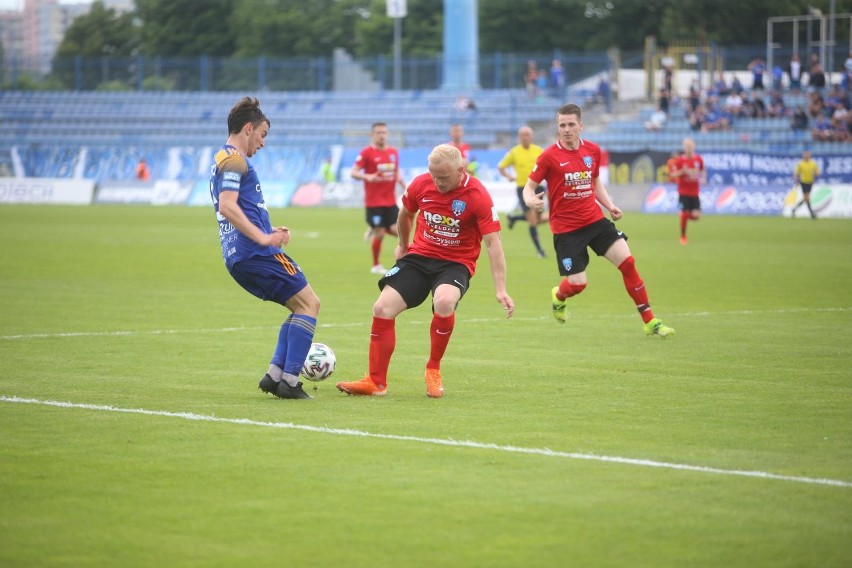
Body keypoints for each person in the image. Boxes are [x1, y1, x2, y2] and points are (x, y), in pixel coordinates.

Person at [336, 144, 514, 398]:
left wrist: (500, 289)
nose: (438, 182)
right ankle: (376, 382)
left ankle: (433, 368)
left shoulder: (478, 195)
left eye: (444, 177)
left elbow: (493, 244)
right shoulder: (421, 184)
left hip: (456, 263)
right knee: (381, 308)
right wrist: (402, 245)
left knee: (444, 301)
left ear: (460, 170)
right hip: (419, 258)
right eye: (433, 175)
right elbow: (405, 214)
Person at [521, 103, 674, 338]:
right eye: (562, 125)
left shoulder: (592, 150)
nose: (567, 129)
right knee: (578, 284)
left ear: (580, 126)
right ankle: (559, 296)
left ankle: (650, 321)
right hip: (567, 230)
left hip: (595, 221)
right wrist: (531, 200)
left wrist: (609, 205)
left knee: (628, 263)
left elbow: (594, 182)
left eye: (571, 124)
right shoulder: (549, 156)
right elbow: (528, 188)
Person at [210, 97, 320, 400]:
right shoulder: (234, 159)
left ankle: (275, 376)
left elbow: (235, 208)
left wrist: (267, 229)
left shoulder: (221, 158)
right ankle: (290, 381)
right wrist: (262, 239)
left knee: (299, 307)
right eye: (263, 134)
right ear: (248, 128)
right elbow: (228, 206)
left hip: (238, 257)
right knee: (310, 304)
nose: (263, 142)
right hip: (256, 253)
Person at [351, 122, 407, 274]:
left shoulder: (393, 152)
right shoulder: (366, 152)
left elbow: (396, 171)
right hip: (374, 202)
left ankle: (374, 228)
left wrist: (402, 183)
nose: (381, 135)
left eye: (384, 132)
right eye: (378, 132)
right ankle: (376, 265)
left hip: (390, 200)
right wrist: (368, 176)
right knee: (381, 233)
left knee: (400, 232)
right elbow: (353, 172)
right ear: (372, 135)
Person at [498, 125, 547, 258]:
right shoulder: (514, 152)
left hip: (538, 188)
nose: (525, 137)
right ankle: (539, 251)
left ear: (531, 137)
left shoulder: (539, 151)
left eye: (527, 135)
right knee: (532, 220)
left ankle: (513, 217)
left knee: (539, 219)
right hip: (523, 189)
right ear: (519, 137)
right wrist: (510, 177)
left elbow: (548, 167)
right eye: (522, 135)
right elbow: (501, 167)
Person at [670, 137, 706, 244]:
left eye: (690, 146)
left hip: (695, 192)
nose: (688, 148)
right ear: (684, 147)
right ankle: (683, 236)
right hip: (683, 192)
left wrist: (703, 178)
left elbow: (703, 170)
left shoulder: (698, 159)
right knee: (685, 213)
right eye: (686, 146)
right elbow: (672, 174)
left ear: (694, 146)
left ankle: (683, 215)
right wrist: (682, 171)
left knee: (696, 216)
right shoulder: (680, 160)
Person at [792, 150, 819, 219]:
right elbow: (796, 173)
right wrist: (796, 181)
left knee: (806, 198)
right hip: (803, 182)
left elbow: (817, 172)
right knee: (806, 198)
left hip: (810, 182)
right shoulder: (800, 164)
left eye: (807, 156)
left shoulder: (813, 163)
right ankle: (812, 213)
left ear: (809, 156)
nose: (806, 157)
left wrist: (815, 173)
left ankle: (795, 209)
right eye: (805, 156)